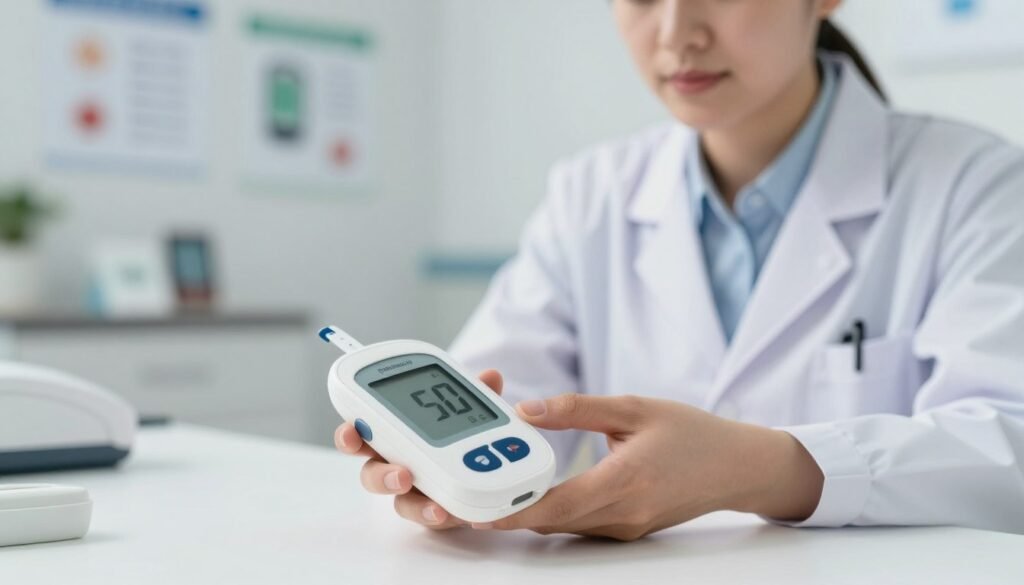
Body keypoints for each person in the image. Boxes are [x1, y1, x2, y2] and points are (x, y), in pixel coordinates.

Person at [336, 0, 1024, 540]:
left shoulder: (977, 187)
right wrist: (439, 480)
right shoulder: (591, 193)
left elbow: (1007, 447)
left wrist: (761, 469)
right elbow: (507, 393)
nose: (675, 34)